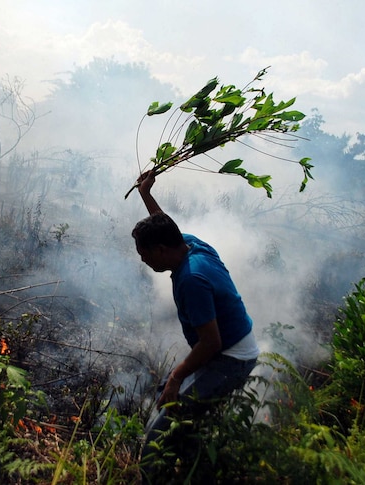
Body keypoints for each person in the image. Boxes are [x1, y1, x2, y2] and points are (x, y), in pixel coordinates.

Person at [132, 171, 259, 481]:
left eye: (145, 254)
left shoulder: (192, 280)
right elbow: (166, 226)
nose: (144, 261)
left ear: (161, 250)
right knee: (170, 397)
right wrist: (146, 195)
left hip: (231, 358)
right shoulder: (191, 245)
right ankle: (190, 461)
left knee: (163, 424)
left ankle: (152, 475)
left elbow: (211, 343)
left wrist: (177, 376)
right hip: (230, 347)